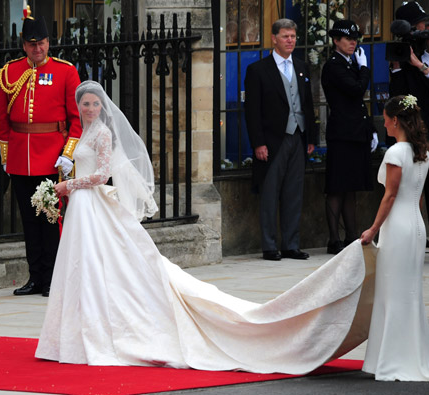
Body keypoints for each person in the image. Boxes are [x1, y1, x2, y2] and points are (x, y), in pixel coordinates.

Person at [35, 80, 375, 374]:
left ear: (102, 106)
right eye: (86, 104)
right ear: (78, 106)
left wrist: (69, 186)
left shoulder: (104, 133)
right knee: (79, 265)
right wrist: (66, 179)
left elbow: (103, 174)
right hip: (82, 206)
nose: (91, 108)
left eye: (95, 103)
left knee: (98, 263)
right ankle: (74, 331)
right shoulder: (83, 132)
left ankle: (97, 330)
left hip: (90, 202)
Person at [0, 13, 82, 297]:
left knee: (50, 220)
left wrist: (68, 154)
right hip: (21, 157)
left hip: (51, 158)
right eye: (32, 44)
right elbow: (2, 120)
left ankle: (52, 279)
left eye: (42, 42)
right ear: (24, 45)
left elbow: (76, 120)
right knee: (29, 221)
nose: (38, 48)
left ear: (49, 42)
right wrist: (6, 155)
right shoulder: (10, 72)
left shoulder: (66, 71)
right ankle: (35, 278)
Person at [361, 95, 429, 381]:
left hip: (397, 227)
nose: (384, 122)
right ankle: (409, 355)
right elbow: (421, 197)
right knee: (409, 292)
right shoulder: (422, 151)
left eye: (386, 117)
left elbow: (390, 196)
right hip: (416, 225)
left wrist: (372, 229)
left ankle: (389, 359)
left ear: (395, 120)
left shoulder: (396, 153)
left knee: (392, 292)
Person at [244, 18, 318, 261]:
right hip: (272, 140)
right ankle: (269, 246)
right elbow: (252, 111)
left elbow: (308, 104)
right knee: (270, 193)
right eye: (286, 36)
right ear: (274, 38)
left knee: (294, 192)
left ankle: (291, 244)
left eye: (293, 37)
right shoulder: (257, 70)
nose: (290, 41)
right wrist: (258, 143)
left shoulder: (301, 66)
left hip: (298, 136)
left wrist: (311, 137)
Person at [321, 20, 377, 255]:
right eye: (348, 39)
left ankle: (351, 236)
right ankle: (335, 239)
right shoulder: (334, 66)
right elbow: (355, 90)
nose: (353, 43)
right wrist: (365, 69)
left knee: (350, 186)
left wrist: (371, 128)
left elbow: (358, 103)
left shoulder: (349, 63)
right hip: (343, 133)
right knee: (338, 186)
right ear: (336, 41)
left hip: (355, 132)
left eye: (355, 39)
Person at [389, 1, 429, 228]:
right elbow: (398, 98)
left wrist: (419, 65)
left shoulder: (424, 55)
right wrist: (397, 67)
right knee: (413, 185)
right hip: (413, 133)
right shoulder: (401, 56)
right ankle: (414, 230)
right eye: (421, 25)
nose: (424, 29)